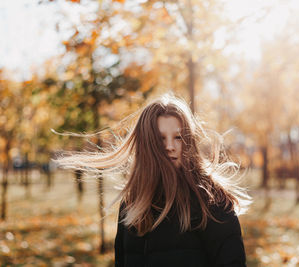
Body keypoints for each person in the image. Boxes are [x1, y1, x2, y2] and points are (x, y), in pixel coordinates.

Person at [55, 94, 251, 267]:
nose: (170, 146)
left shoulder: (211, 200)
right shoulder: (133, 203)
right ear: (147, 144)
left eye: (178, 137)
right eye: (160, 139)